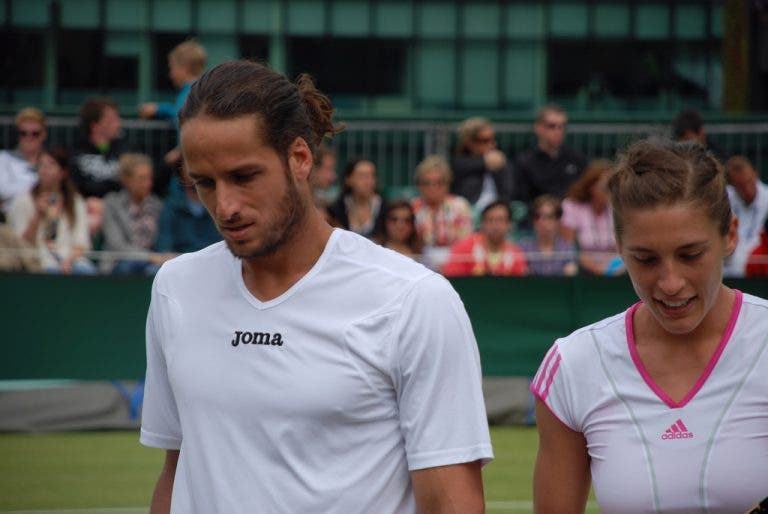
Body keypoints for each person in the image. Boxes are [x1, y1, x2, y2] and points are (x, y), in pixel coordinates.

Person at [140, 60, 492, 514]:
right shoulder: (175, 288)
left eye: (244, 176)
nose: (225, 206)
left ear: (300, 159)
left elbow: (452, 503)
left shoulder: (414, 299)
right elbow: (176, 471)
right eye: (204, 183)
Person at [531, 139, 768, 513]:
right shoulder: (574, 364)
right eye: (645, 259)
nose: (670, 283)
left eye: (691, 255)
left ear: (731, 235)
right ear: (618, 246)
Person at [7, 147, 96, 274]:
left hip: (72, 261)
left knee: (87, 271)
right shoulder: (22, 201)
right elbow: (22, 246)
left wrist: (68, 261)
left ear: (63, 172)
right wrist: (38, 215)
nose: (44, 170)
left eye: (51, 165)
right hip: (37, 262)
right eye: (41, 165)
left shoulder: (76, 202)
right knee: (51, 271)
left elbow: (81, 243)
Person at [138, 39, 207, 170]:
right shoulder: (199, 89)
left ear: (184, 67)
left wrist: (179, 151)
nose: (170, 74)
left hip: (188, 160)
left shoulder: (190, 92)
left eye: (172, 67)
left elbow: (184, 116)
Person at [70, 96, 132, 238]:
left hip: (120, 210)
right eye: (112, 119)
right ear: (95, 125)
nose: (118, 124)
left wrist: (107, 204)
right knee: (92, 219)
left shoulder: (126, 150)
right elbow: (73, 186)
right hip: (87, 209)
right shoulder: (76, 151)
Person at [101, 153, 163, 274]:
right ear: (126, 180)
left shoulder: (157, 205)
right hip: (119, 263)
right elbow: (116, 245)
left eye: (149, 178)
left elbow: (161, 241)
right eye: (141, 179)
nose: (148, 184)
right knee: (130, 266)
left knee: (158, 271)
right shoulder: (112, 203)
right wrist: (148, 257)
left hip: (151, 264)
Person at [514, 104, 586, 207]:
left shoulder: (577, 158)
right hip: (540, 217)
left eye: (562, 127)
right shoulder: (525, 161)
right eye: (551, 126)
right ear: (537, 128)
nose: (558, 131)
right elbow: (522, 199)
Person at [560, 159, 622, 276]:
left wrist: (612, 270)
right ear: (591, 187)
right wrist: (601, 271)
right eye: (605, 187)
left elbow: (622, 248)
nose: (609, 192)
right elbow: (569, 247)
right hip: (582, 271)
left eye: (613, 187)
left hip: (615, 272)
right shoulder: (572, 206)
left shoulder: (617, 208)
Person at [411, 155, 473, 269]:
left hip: (454, 262)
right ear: (419, 185)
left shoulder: (460, 206)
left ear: (447, 184)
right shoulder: (412, 207)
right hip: (420, 264)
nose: (432, 188)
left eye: (439, 183)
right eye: (426, 183)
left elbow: (465, 243)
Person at [442, 200, 527, 277]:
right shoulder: (462, 248)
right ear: (482, 223)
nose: (495, 226)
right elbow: (452, 281)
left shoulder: (516, 253)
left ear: (509, 225)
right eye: (490, 220)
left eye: (500, 220)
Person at [451, 117, 515, 212]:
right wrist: (485, 162)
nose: (492, 144)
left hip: (497, 212)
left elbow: (509, 192)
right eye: (485, 140)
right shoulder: (458, 162)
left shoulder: (500, 162)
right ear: (469, 142)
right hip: (469, 211)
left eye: (493, 139)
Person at [723, 155, 768, 276]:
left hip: (759, 270)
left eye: (750, 182)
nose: (748, 190)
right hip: (730, 270)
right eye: (741, 186)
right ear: (732, 186)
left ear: (755, 174)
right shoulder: (725, 199)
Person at [0, 107, 47, 214]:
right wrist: (38, 187)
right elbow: (3, 190)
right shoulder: (4, 158)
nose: (28, 138)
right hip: (10, 216)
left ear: (44, 134)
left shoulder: (50, 162)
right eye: (23, 133)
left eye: (35, 134)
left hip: (43, 215)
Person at [327, 157, 387, 239]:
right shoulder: (337, 208)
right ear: (348, 179)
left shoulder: (384, 207)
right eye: (362, 176)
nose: (368, 181)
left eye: (371, 176)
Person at [518, 195, 577, 276]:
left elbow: (570, 277)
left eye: (549, 217)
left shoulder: (567, 248)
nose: (542, 222)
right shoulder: (522, 247)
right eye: (538, 216)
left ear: (557, 220)